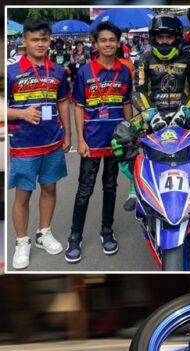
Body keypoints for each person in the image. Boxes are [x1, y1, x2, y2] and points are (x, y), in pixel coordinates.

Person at [65, 21, 133, 263]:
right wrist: (80, 139)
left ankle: (107, 231)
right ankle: (75, 237)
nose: (108, 44)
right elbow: (78, 107)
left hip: (115, 143)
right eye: (103, 40)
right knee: (84, 190)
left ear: (118, 43)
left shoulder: (124, 71)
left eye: (112, 40)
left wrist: (130, 134)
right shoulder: (84, 72)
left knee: (111, 187)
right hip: (91, 143)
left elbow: (126, 104)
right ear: (95, 44)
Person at [7, 19, 71, 269]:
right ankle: (22, 242)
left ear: (50, 40)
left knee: (50, 189)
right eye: (35, 39)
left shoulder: (57, 70)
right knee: (23, 194)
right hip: (24, 145)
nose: (40, 44)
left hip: (52, 142)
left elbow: (62, 102)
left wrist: (68, 134)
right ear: (24, 41)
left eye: (44, 39)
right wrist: (21, 113)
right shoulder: (11, 71)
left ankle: (44, 233)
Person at [123, 15, 190, 211]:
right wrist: (151, 114)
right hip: (151, 114)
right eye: (161, 37)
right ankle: (134, 184)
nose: (165, 41)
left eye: (169, 37)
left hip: (184, 114)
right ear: (153, 38)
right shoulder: (143, 59)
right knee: (120, 136)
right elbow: (138, 91)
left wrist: (184, 112)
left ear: (177, 38)